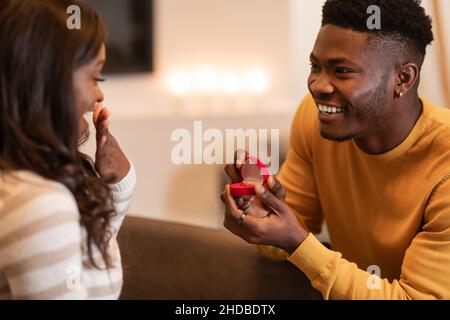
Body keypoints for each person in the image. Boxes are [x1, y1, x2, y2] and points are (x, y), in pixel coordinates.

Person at [222, 0, 450, 299]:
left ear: (403, 78)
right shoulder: (314, 117)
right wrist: (262, 213)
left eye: (341, 71)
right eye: (315, 66)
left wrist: (298, 243)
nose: (318, 85)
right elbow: (286, 234)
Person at [0, 0, 135, 299]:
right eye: (95, 76)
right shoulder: (41, 204)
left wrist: (118, 187)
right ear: (49, 78)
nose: (99, 93)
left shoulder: (24, 186)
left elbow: (81, 262)